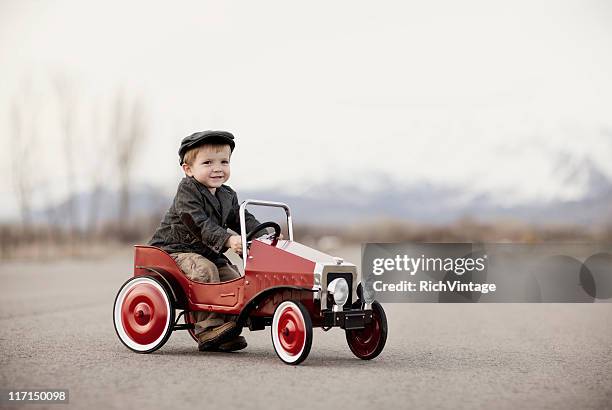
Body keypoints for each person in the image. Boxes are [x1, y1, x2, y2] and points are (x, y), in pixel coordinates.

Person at [148, 130, 262, 352]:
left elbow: (242, 219)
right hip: (174, 251)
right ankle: (207, 328)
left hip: (206, 251)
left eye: (224, 161)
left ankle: (228, 327)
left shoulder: (227, 195)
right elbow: (198, 223)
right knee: (205, 270)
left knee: (233, 277)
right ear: (188, 169)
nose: (218, 168)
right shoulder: (187, 191)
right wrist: (228, 239)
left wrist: (262, 235)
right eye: (208, 162)